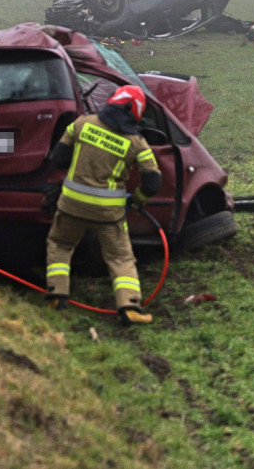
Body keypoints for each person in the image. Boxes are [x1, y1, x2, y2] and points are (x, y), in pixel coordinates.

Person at [44, 85, 163, 326]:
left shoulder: (81, 123)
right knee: (120, 257)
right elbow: (153, 181)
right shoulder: (136, 142)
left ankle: (57, 295)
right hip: (109, 213)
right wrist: (138, 200)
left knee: (60, 244)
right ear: (136, 112)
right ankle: (129, 306)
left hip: (72, 206)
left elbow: (58, 158)